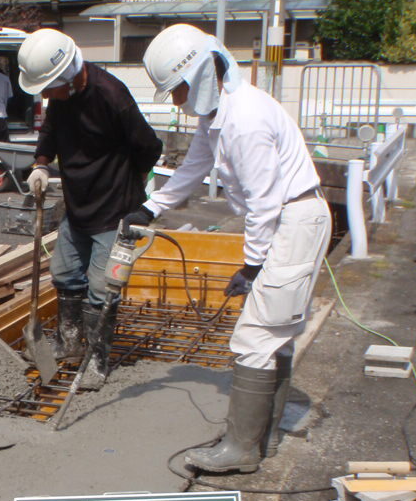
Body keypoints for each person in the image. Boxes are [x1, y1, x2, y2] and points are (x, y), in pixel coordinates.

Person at [132, 24, 330, 474]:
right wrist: (149, 209)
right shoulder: (219, 115)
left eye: (178, 89)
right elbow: (194, 167)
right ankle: (263, 440)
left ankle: (242, 450)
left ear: (201, 73)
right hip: (290, 221)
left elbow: (264, 201)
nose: (178, 100)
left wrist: (254, 264)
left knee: (256, 337)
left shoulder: (246, 120)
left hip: (292, 221)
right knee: (276, 336)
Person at [18, 28, 162, 382]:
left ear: (67, 77)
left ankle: (97, 360)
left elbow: (149, 146)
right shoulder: (61, 97)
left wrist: (132, 188)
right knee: (65, 273)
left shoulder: (112, 95)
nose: (46, 95)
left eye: (49, 88)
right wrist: (40, 163)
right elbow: (50, 132)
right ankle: (69, 344)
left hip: (114, 212)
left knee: (102, 290)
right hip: (78, 207)